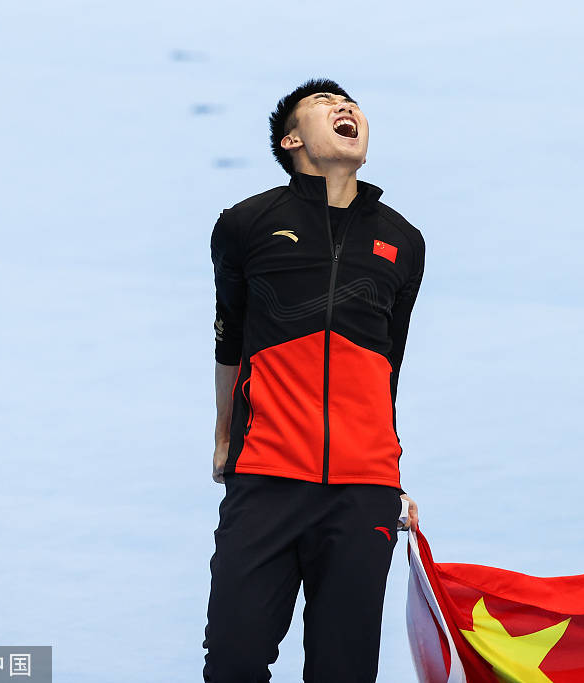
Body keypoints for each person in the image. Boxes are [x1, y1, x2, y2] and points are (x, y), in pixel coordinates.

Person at [202, 78, 425, 682]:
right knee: (233, 662)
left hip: (363, 487)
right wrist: (224, 436)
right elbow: (230, 338)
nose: (345, 107)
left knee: (344, 671)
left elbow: (388, 365)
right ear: (292, 139)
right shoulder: (246, 224)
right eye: (325, 104)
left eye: (350, 103)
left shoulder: (403, 241)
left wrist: (391, 474)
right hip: (267, 476)